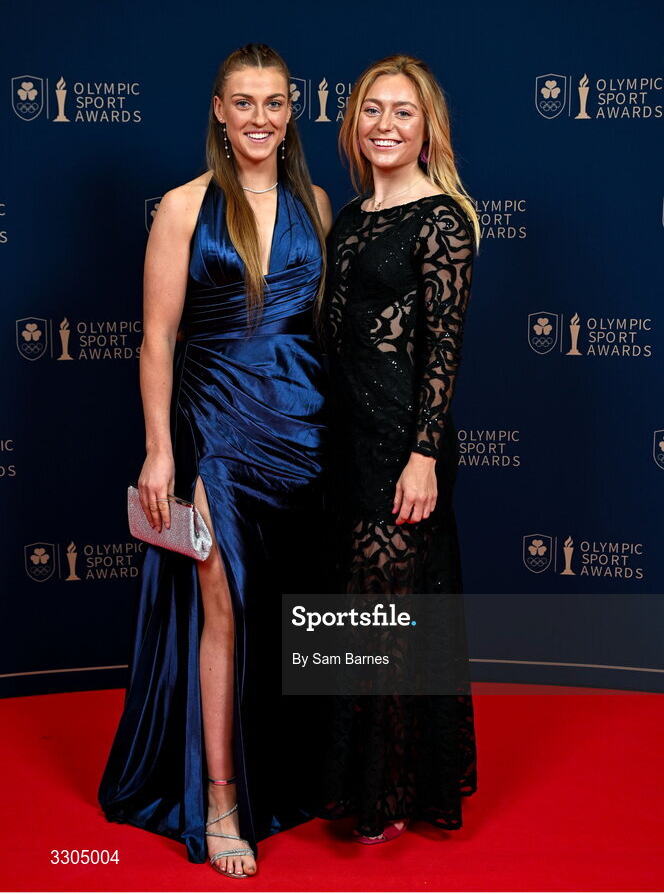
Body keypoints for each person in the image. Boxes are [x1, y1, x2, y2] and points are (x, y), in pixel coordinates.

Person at [99, 43, 332, 878]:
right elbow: (158, 336)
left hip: (303, 432)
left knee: (283, 608)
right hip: (217, 434)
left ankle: (292, 770)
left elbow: (320, 333)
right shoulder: (183, 207)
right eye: (244, 102)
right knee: (221, 604)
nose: (259, 118)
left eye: (274, 102)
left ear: (291, 110)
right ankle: (222, 796)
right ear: (218, 111)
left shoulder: (317, 204)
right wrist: (161, 451)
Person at [322, 54, 478, 843]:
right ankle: (364, 785)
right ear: (354, 123)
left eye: (403, 112)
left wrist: (423, 454)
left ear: (427, 130)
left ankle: (386, 799)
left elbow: (444, 348)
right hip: (342, 443)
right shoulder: (347, 218)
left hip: (401, 445)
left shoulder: (443, 220)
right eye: (372, 110)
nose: (386, 124)